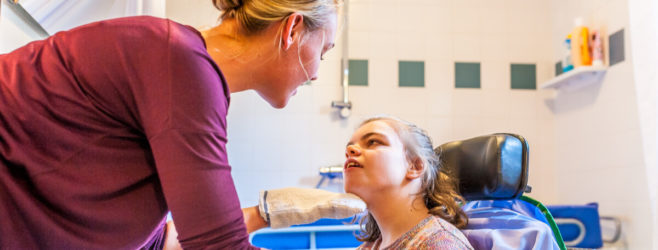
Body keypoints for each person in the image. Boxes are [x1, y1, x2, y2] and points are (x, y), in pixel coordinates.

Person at [0, 0, 349, 248]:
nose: (317, 71)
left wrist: (263, 214)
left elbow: (160, 240)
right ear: (292, 29)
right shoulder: (182, 68)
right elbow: (218, 247)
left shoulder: (181, 65)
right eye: (324, 51)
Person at [344, 116, 474, 249]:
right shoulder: (368, 247)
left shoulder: (440, 244)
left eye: (373, 142)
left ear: (415, 166)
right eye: (349, 147)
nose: (349, 151)